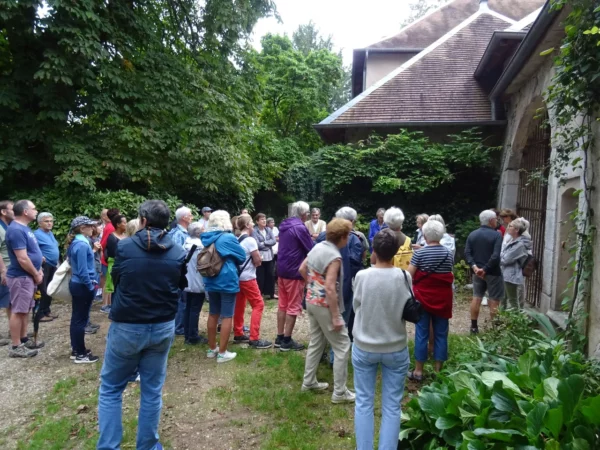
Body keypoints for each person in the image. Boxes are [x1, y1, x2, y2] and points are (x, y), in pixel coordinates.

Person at [97, 200, 186, 450]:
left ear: (143, 220)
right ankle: (148, 446)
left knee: (112, 388)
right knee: (151, 390)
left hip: (128, 325)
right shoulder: (178, 251)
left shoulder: (124, 247)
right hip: (162, 326)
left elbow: (117, 279)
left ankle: (109, 446)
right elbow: (179, 285)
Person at [352, 228, 412, 449]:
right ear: (397, 251)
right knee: (392, 406)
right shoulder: (405, 277)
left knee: (364, 402)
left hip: (364, 345)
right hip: (395, 347)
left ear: (373, 250)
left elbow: (356, 306)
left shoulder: (361, 276)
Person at [299, 218, 354, 404]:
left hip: (311, 301)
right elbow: (330, 288)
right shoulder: (334, 256)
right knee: (342, 344)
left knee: (317, 341)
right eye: (349, 234)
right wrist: (337, 316)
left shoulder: (318, 246)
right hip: (324, 305)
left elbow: (302, 268)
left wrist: (312, 286)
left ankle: (308, 382)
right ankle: (340, 393)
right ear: (343, 236)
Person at [407, 221, 454, 380]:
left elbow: (409, 276)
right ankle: (438, 371)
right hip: (443, 298)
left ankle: (418, 371)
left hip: (423, 299)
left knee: (421, 333)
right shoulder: (448, 254)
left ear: (425, 235)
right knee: (441, 334)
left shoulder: (419, 254)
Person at [200, 210, 246, 363]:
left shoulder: (206, 237)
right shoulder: (228, 237)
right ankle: (222, 353)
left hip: (210, 278)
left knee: (213, 313)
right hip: (226, 279)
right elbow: (241, 256)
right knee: (227, 315)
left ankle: (212, 348)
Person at [5, 200, 44, 357]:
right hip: (21, 277)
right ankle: (16, 347)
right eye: (34, 208)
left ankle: (23, 338)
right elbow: (22, 258)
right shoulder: (15, 230)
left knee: (25, 309)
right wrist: (35, 273)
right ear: (25, 212)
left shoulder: (24, 228)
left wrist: (38, 269)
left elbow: (32, 253)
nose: (36, 211)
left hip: (28, 276)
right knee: (18, 310)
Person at [276, 201, 314, 351]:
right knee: (293, 306)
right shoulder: (299, 227)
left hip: (282, 270)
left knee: (282, 305)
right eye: (308, 213)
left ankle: (279, 337)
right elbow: (311, 248)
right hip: (294, 272)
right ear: (304, 214)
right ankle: (287, 341)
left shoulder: (284, 225)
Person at [233, 215, 272, 349]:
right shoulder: (250, 240)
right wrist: (259, 259)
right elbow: (257, 261)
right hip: (248, 277)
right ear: (248, 225)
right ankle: (254, 338)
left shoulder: (237, 239)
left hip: (238, 277)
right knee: (258, 304)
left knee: (240, 304)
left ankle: (238, 333)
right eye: (251, 223)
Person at [65, 216, 100, 363]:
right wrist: (90, 285)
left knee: (78, 319)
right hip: (82, 285)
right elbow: (83, 270)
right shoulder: (82, 244)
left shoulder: (78, 242)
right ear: (81, 228)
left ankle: (77, 349)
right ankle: (80, 353)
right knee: (80, 320)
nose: (93, 228)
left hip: (79, 284)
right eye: (89, 226)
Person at [465, 210, 504, 333]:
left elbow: (467, 253)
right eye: (496, 219)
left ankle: (474, 327)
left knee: (477, 297)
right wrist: (485, 269)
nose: (497, 221)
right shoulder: (497, 235)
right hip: (493, 272)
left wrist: (474, 267)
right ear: (491, 220)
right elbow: (496, 255)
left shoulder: (472, 234)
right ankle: (494, 330)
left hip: (477, 272)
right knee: (494, 299)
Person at [168, 206, 193, 336]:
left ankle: (180, 325)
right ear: (184, 218)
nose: (192, 217)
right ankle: (179, 327)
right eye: (190, 215)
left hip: (181, 272)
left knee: (182, 300)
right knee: (181, 301)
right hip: (179, 273)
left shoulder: (179, 232)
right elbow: (177, 256)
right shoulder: (179, 234)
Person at [182, 222, 207, 345]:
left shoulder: (185, 244)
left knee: (188, 308)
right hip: (197, 281)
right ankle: (192, 336)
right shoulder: (200, 247)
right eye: (203, 229)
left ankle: (187, 334)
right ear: (198, 232)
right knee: (194, 310)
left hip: (187, 281)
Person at [34, 212, 60, 323]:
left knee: (50, 289)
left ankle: (46, 310)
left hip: (52, 265)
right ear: (40, 223)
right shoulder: (36, 234)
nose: (49, 223)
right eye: (46, 221)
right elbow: (31, 248)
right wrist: (40, 256)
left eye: (51, 221)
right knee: (43, 290)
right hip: (44, 265)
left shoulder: (50, 233)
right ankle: (39, 314)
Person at [500, 219, 530, 310]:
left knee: (512, 300)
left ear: (516, 230)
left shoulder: (519, 244)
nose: (508, 228)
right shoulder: (512, 240)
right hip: (506, 272)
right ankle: (501, 319)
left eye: (510, 226)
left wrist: (500, 256)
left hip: (511, 274)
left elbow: (505, 259)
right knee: (503, 298)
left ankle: (515, 321)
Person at [100, 208, 120, 314]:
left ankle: (107, 304)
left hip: (106, 258)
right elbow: (103, 243)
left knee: (108, 282)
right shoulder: (111, 227)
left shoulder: (109, 226)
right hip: (108, 259)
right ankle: (105, 305)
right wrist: (103, 254)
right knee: (108, 282)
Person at [0, 201, 14, 347]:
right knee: (4, 300)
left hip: (9, 268)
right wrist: (3, 270)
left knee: (10, 301)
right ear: (3, 212)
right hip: (3, 268)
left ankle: (13, 329)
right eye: (12, 209)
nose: (15, 211)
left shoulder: (8, 226)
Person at [253, 213, 277, 299]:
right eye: (262, 219)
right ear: (257, 221)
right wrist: (268, 243)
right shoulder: (254, 231)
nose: (264, 221)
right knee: (260, 276)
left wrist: (264, 243)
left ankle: (270, 293)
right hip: (260, 256)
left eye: (265, 219)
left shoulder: (268, 229)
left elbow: (274, 241)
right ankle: (259, 293)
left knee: (270, 274)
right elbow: (257, 244)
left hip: (269, 256)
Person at [104, 214, 127, 299]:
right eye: (124, 222)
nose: (126, 224)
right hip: (115, 265)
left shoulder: (126, 236)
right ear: (118, 224)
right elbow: (112, 254)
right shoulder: (112, 238)